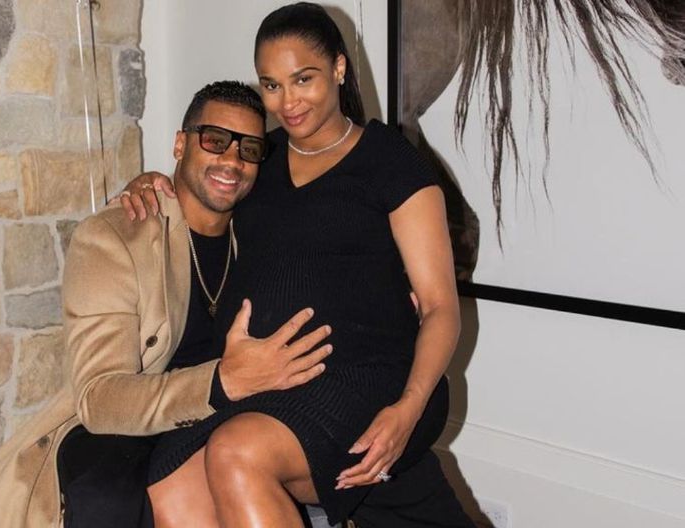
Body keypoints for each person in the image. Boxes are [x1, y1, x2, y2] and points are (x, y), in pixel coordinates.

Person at [120, 3, 474, 527]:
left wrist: (408, 408)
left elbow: (441, 307)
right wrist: (153, 183)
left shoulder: (390, 161)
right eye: (271, 85)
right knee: (171, 482)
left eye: (302, 79)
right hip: (265, 378)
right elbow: (204, 189)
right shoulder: (259, 158)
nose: (287, 102)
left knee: (236, 452)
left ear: (338, 68)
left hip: (364, 376)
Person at [0, 80, 335, 528]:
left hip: (226, 414)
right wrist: (221, 382)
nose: (232, 160)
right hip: (128, 419)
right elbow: (99, 399)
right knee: (105, 498)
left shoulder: (262, 230)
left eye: (249, 149)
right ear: (180, 145)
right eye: (215, 140)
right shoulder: (112, 238)